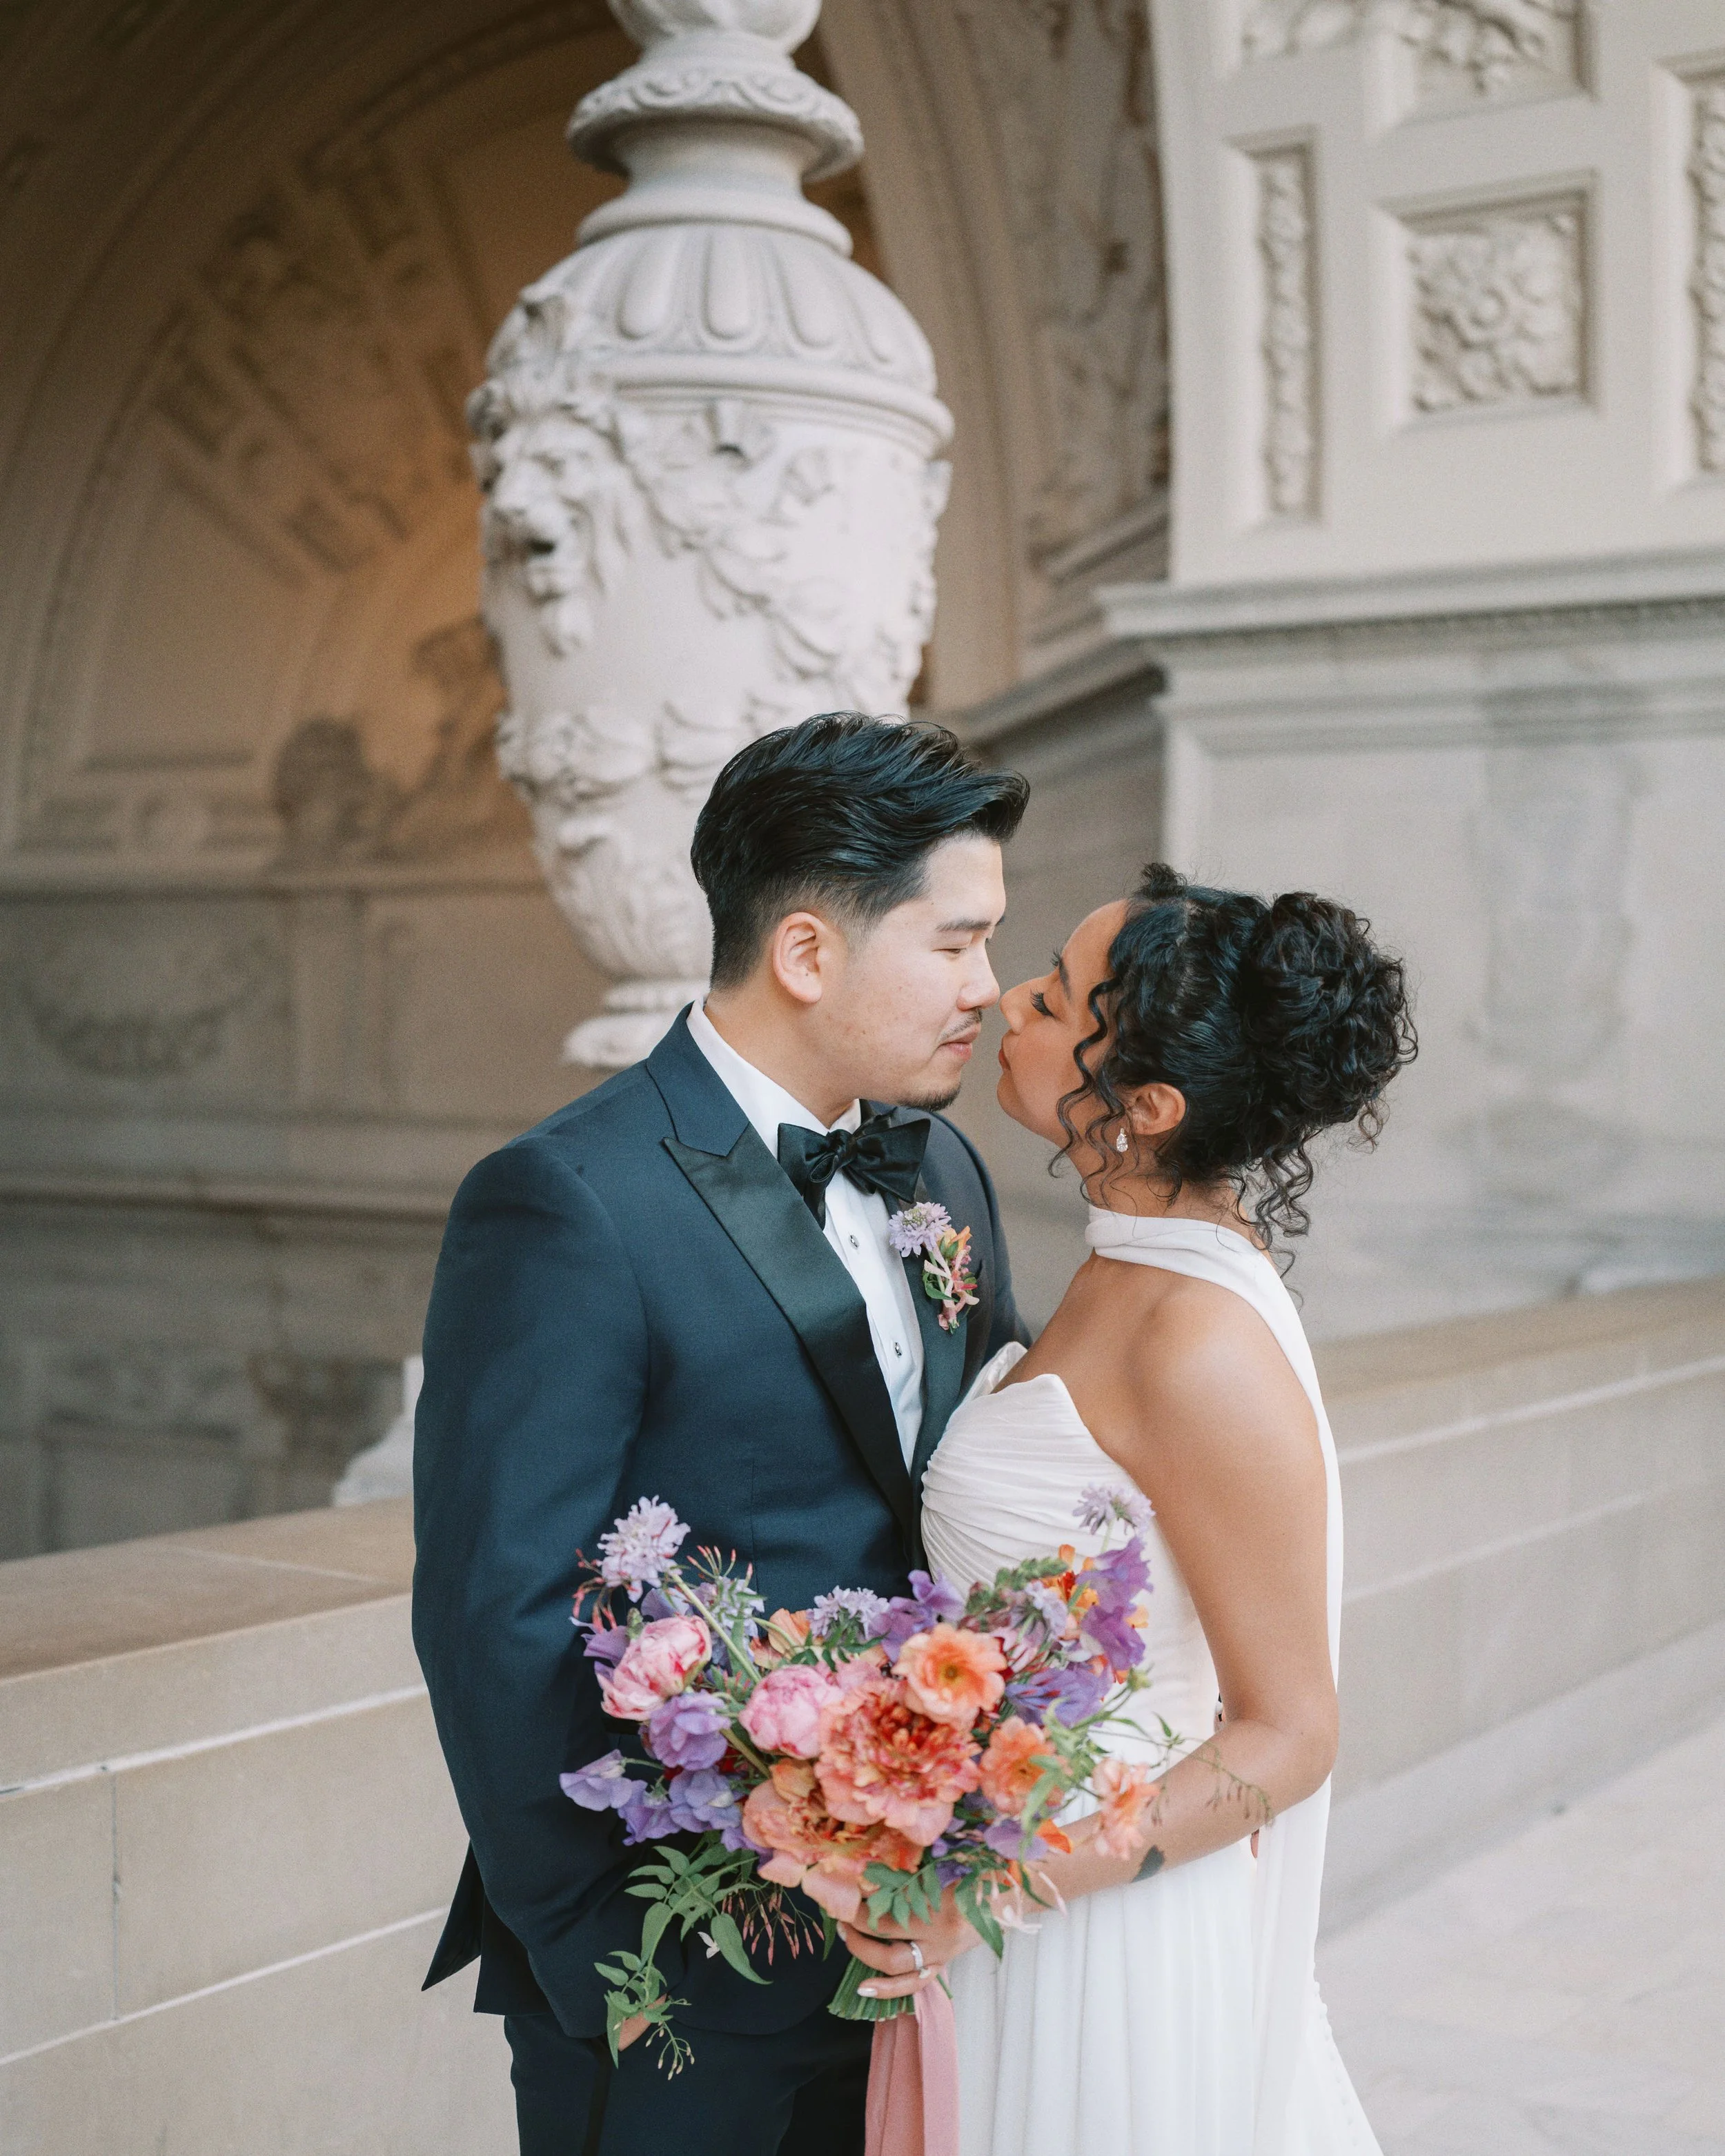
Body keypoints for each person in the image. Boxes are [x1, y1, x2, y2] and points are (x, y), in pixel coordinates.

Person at [411, 713, 1032, 2155]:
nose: (987, 988)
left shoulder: (936, 1162)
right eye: (953, 943)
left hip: (905, 1936)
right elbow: (493, 1608)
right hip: (675, 1965)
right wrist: (617, 1967)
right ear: (808, 951)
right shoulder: (567, 1198)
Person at [840, 863, 1417, 2155]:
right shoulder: (1129, 1263)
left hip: (1099, 1934)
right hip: (1020, 1891)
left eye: (1053, 999)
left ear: (1144, 1107)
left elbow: (1290, 1731)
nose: (1005, 1002)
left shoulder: (1199, 1341)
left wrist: (994, 1886)